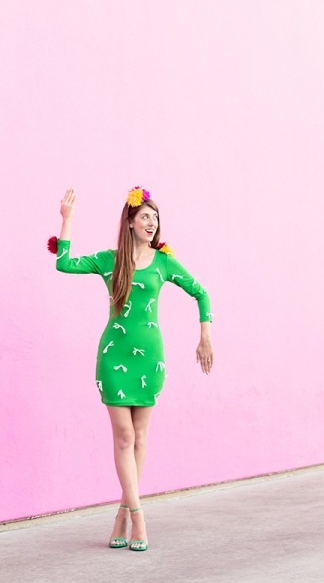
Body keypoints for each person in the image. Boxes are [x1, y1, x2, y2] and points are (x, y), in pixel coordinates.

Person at [50, 186, 214, 552]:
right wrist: (68, 220)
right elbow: (64, 263)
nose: (152, 222)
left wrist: (205, 336)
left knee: (140, 437)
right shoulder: (111, 261)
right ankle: (139, 515)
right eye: (145, 216)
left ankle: (123, 511)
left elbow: (201, 293)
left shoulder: (164, 262)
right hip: (114, 356)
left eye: (155, 218)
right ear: (129, 222)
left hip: (150, 359)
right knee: (124, 436)